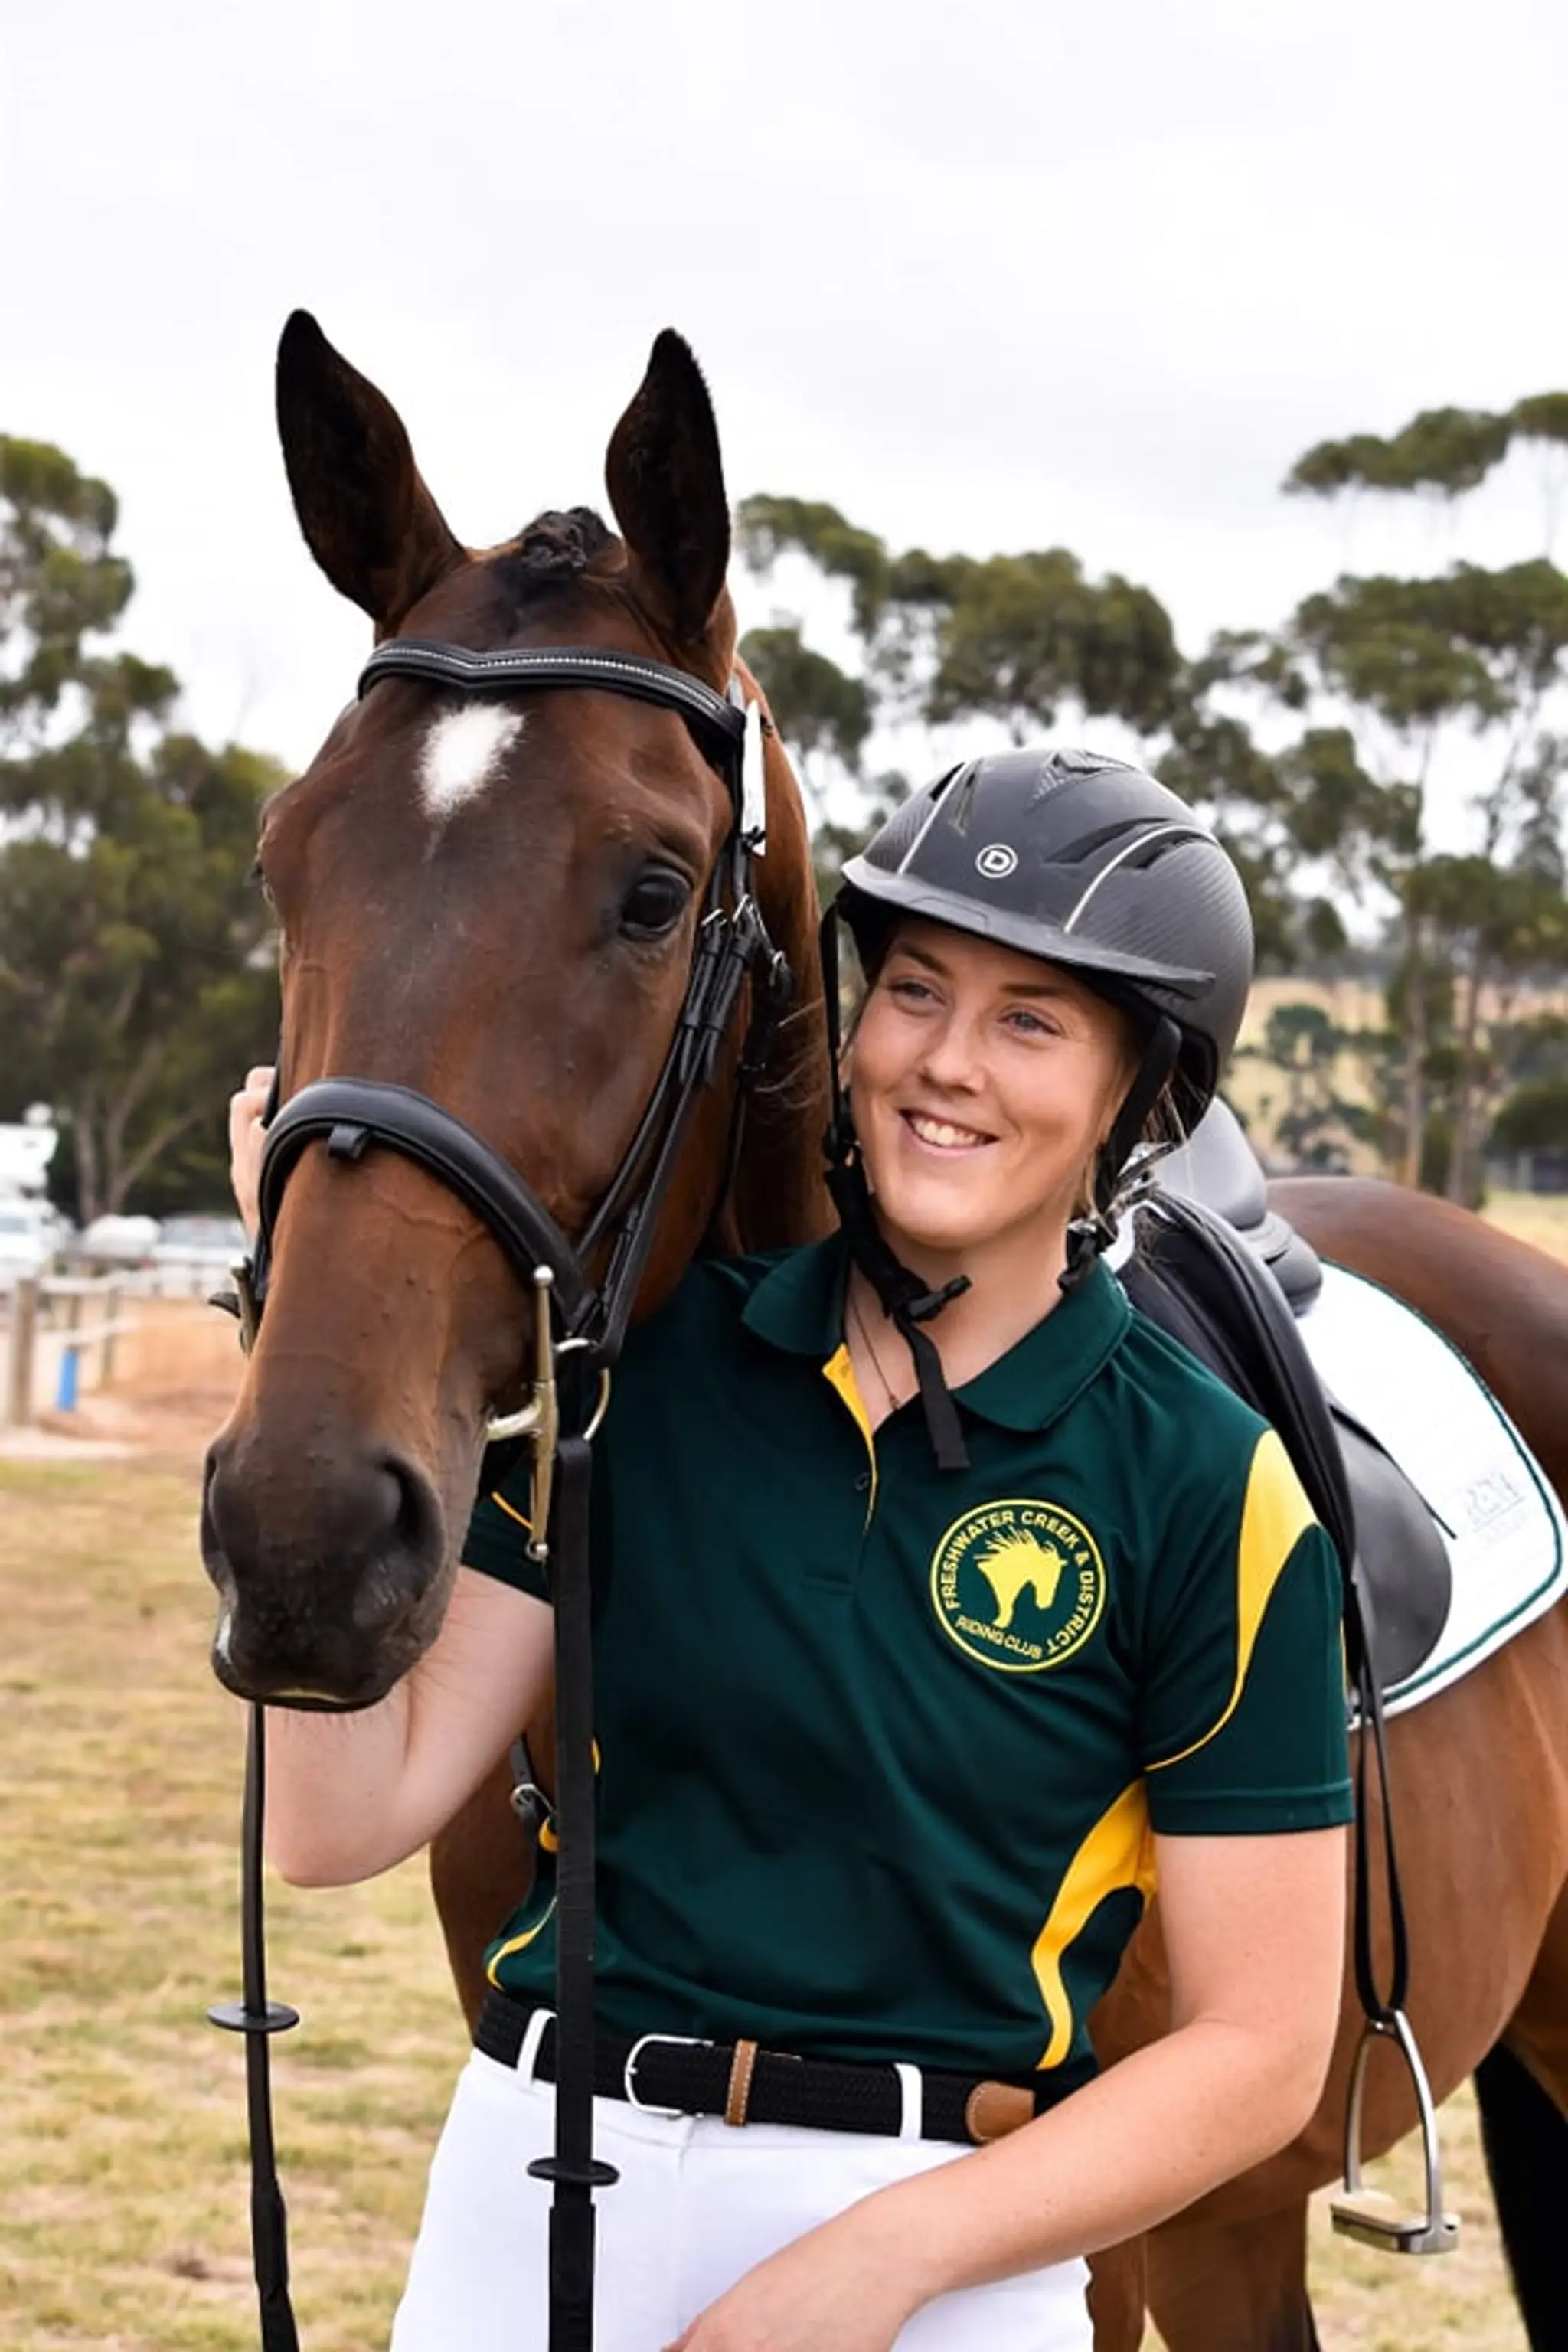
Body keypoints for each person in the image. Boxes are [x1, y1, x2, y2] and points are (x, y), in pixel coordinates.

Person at [231, 748, 1352, 2352]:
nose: (944, 1064)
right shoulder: (632, 1383)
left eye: (1029, 1021)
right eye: (913, 992)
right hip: (541, 2184)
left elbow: (1256, 2050)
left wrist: (877, 2265)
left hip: (940, 2249)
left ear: (1137, 1092)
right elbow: (339, 1822)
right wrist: (294, 1328)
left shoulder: (1211, 1486)